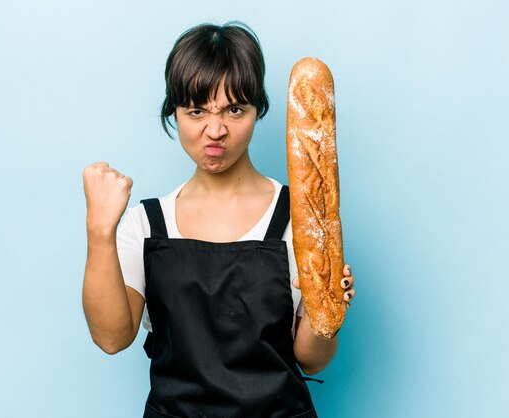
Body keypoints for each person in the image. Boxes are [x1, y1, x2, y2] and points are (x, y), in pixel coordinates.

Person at [82, 21, 356, 418]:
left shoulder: (300, 221)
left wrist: (328, 309)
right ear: (173, 113)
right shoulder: (145, 224)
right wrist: (99, 231)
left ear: (257, 110)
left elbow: (312, 360)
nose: (215, 130)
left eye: (234, 109)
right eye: (196, 111)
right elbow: (111, 338)